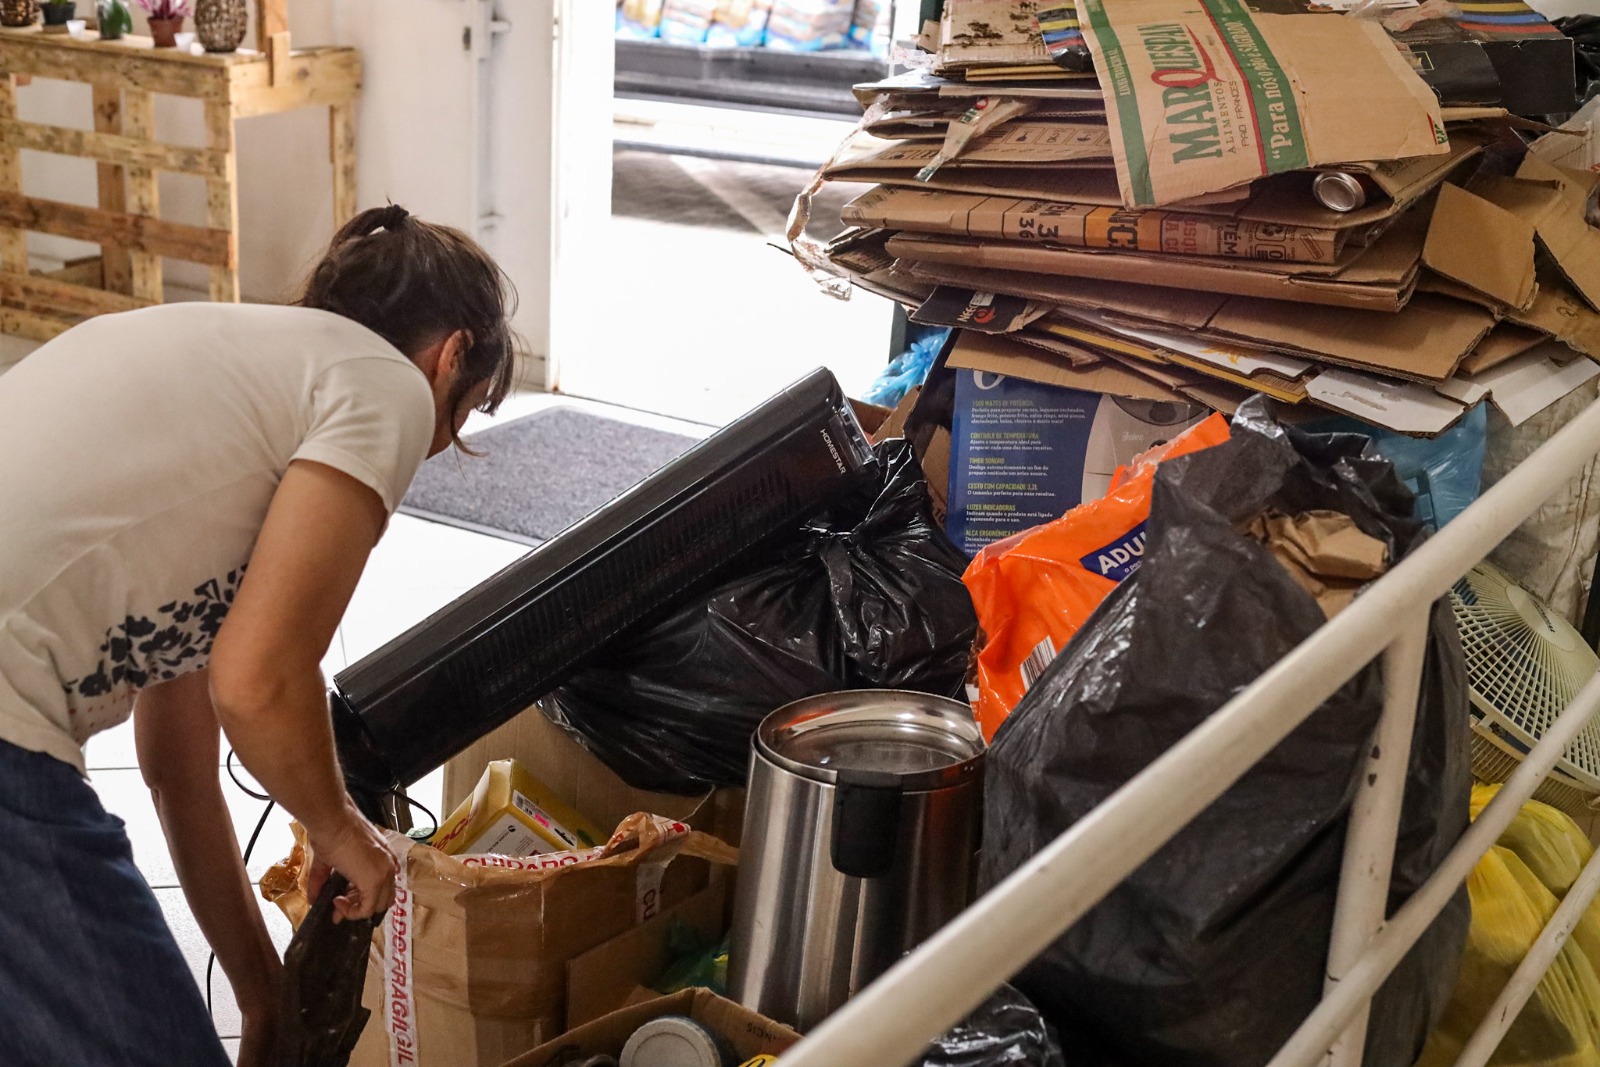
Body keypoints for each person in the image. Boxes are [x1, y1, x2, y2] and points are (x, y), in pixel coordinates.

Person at [0, 204, 517, 1067]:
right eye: (456, 420)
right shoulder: (384, 383)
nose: (434, 446)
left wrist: (261, 991)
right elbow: (259, 677)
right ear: (452, 356)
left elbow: (178, 768)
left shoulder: (235, 395)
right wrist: (339, 826)